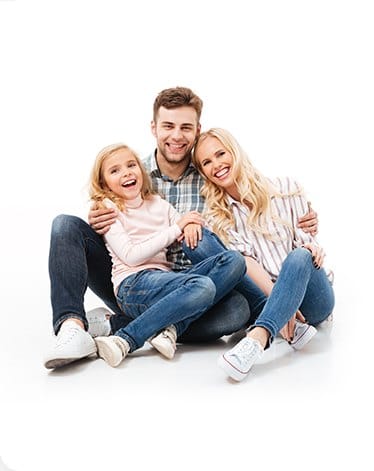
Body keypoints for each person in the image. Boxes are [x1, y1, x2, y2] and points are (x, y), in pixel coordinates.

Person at [45, 86, 318, 369]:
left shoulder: (212, 175)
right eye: (168, 126)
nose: (177, 136)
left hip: (198, 289)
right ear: (154, 128)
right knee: (65, 225)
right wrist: (99, 217)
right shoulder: (133, 171)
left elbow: (251, 207)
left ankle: (122, 324)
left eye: (186, 127)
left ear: (198, 130)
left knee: (237, 310)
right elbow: (118, 234)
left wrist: (300, 213)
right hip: (132, 281)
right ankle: (72, 328)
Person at [89, 142, 275, 367]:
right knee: (203, 286)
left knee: (234, 262)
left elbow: (186, 223)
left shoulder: (159, 204)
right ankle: (126, 339)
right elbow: (131, 255)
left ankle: (170, 327)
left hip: (168, 284)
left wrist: (190, 225)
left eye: (131, 165)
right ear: (104, 183)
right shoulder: (108, 208)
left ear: (141, 169)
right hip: (133, 286)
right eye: (115, 170)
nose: (126, 172)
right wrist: (178, 227)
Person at [190, 127, 335, 381]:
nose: (217, 165)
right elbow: (245, 264)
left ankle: (257, 337)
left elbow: (306, 244)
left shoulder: (286, 188)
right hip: (267, 298)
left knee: (299, 256)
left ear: (234, 152)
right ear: (204, 173)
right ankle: (274, 330)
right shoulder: (218, 217)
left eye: (220, 154)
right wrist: (283, 303)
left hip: (312, 300)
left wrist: (311, 249)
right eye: (207, 162)